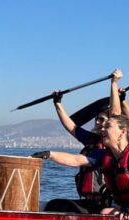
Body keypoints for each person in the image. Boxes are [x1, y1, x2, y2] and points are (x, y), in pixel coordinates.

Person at [35, 115, 129, 215]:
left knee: (105, 212)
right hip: (121, 206)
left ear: (122, 132)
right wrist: (49, 154)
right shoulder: (104, 155)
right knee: (57, 205)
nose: (102, 129)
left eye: (108, 126)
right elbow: (75, 159)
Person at [45, 70, 123, 212]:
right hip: (88, 201)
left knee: (58, 206)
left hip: (103, 203)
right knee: (54, 204)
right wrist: (57, 103)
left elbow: (116, 114)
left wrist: (114, 83)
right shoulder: (91, 139)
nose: (99, 123)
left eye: (102, 120)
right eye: (97, 119)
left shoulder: (111, 148)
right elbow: (71, 126)